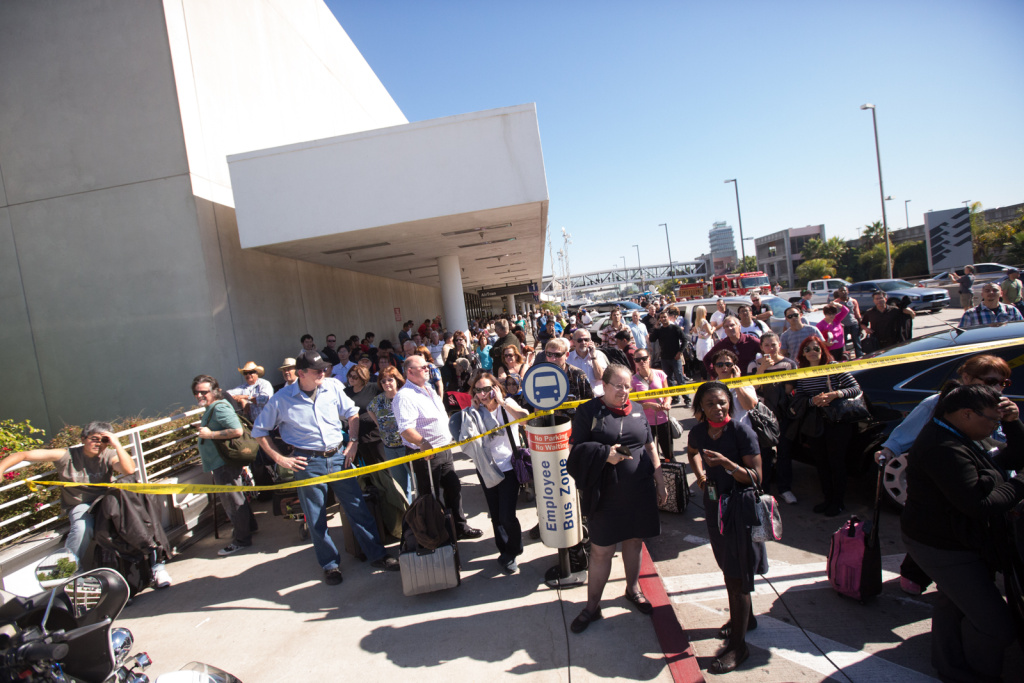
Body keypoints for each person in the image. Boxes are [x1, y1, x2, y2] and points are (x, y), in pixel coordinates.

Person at [901, 383, 1024, 682]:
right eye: (992, 421)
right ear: (967, 414)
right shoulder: (942, 447)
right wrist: (1021, 483)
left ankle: (950, 667)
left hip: (955, 540)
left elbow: (1003, 464)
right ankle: (976, 674)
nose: (994, 426)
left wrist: (1013, 425)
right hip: (944, 547)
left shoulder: (958, 434)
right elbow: (979, 504)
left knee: (953, 603)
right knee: (996, 625)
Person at [252, 350, 400, 584]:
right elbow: (259, 431)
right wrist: (281, 459)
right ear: (301, 373)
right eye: (317, 370)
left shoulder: (332, 387)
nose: (323, 372)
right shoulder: (282, 398)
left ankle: (377, 554)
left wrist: (352, 442)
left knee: (357, 507)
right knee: (315, 516)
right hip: (308, 462)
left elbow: (352, 414)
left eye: (324, 368)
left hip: (339, 457)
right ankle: (330, 565)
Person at [874, 355, 1014, 595]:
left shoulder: (998, 406)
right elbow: (908, 430)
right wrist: (889, 450)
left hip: (985, 476)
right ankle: (915, 574)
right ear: (966, 377)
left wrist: (1013, 422)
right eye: (990, 381)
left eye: (1003, 383)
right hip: (952, 483)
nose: (997, 387)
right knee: (937, 529)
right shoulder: (939, 405)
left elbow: (1002, 442)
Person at [0, 422, 172, 589]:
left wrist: (117, 444)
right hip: (81, 505)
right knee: (82, 527)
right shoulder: (66, 455)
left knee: (140, 519)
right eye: (94, 439)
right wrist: (1, 469)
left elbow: (129, 470)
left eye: (103, 440)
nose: (98, 444)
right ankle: (71, 572)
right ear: (83, 438)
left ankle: (157, 566)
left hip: (106, 502)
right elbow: (23, 455)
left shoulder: (108, 454)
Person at [566, 365, 667, 634]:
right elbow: (575, 452)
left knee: (634, 543)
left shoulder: (636, 410)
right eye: (618, 386)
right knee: (602, 551)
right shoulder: (589, 411)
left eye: (627, 386)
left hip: (639, 491)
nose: (624, 391)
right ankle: (591, 606)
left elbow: (649, 444)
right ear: (604, 385)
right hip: (605, 494)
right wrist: (604, 454)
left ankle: (632, 590)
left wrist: (659, 480)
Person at [686, 381, 765, 674]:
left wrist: (727, 464)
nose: (718, 407)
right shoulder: (698, 431)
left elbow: (756, 477)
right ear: (701, 409)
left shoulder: (741, 431)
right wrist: (701, 476)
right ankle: (747, 619)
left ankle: (738, 646)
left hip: (739, 509)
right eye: (711, 404)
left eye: (722, 402)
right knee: (727, 566)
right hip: (714, 506)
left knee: (736, 572)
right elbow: (692, 450)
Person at [392, 355, 482, 540]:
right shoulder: (404, 396)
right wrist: (423, 444)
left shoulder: (429, 388)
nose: (428, 369)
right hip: (426, 453)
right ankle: (435, 533)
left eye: (428, 366)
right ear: (410, 371)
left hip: (444, 449)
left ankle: (459, 527)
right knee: (430, 496)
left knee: (453, 488)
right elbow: (405, 429)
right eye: (423, 366)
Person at [458, 370, 531, 574]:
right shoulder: (474, 411)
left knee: (507, 515)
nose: (482, 394)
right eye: (478, 390)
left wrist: (503, 401)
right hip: (486, 469)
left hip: (508, 467)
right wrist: (472, 413)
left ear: (495, 388)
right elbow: (465, 440)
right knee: (496, 515)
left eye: (487, 389)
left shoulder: (506, 406)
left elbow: (525, 419)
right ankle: (505, 553)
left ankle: (514, 549)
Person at [793, 338, 862, 516]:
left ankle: (838, 502)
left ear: (822, 350)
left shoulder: (833, 366)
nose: (812, 352)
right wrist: (812, 401)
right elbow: (799, 397)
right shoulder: (802, 372)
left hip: (836, 422)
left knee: (836, 462)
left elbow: (855, 388)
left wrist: (835, 394)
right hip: (815, 423)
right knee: (821, 463)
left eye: (816, 348)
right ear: (803, 354)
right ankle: (827, 498)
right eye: (807, 349)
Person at [191, 375, 257, 557]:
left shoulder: (219, 408)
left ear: (215, 391)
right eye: (196, 392)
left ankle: (242, 540)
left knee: (233, 501)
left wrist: (210, 434)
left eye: (203, 392)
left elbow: (236, 430)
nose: (199, 395)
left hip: (224, 463)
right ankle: (249, 528)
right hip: (222, 463)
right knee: (237, 497)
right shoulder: (213, 408)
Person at [748, 331, 799, 504]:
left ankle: (785, 488)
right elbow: (753, 389)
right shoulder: (753, 365)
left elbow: (790, 389)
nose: (770, 348)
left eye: (773, 344)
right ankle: (764, 490)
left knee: (784, 451)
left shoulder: (789, 364)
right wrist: (762, 369)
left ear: (779, 345)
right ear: (761, 347)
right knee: (764, 454)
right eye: (766, 345)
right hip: (762, 417)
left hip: (782, 414)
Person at [368, 366, 415, 504]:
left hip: (407, 447)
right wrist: (379, 425)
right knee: (400, 486)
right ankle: (409, 513)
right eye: (383, 381)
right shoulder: (378, 400)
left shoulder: (405, 396)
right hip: (389, 448)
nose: (387, 383)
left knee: (417, 482)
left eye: (390, 380)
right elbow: (370, 409)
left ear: (397, 380)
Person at [631, 349, 673, 462]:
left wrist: (667, 403)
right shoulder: (633, 380)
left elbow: (668, 394)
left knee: (668, 453)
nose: (641, 362)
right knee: (649, 454)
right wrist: (649, 405)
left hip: (662, 419)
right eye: (638, 359)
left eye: (644, 358)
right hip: (645, 422)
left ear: (649, 358)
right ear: (634, 361)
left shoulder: (660, 374)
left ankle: (671, 474)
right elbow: (632, 403)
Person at [344, 364, 385, 466]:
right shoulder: (346, 392)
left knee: (383, 465)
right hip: (359, 435)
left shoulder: (374, 387)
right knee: (369, 466)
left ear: (363, 378)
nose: (351, 379)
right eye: (349, 375)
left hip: (375, 435)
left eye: (355, 377)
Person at [960, 281, 1024, 327]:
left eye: (995, 290)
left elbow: (1020, 329)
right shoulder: (970, 314)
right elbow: (963, 336)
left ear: (1001, 294)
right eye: (987, 291)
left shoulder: (1012, 310)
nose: (991, 292)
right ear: (982, 294)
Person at [568, 329, 609, 397]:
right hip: (578, 399)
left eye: (586, 340)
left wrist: (593, 357)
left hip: (598, 397)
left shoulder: (598, 355)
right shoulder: (568, 358)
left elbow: (600, 377)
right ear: (574, 342)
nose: (583, 342)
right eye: (580, 340)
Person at [832, 286, 863, 358]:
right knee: (843, 343)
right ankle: (844, 357)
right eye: (841, 291)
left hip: (853, 324)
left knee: (857, 342)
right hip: (842, 325)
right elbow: (833, 315)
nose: (843, 292)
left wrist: (860, 325)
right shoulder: (836, 302)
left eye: (844, 290)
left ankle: (859, 356)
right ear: (838, 292)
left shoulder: (853, 301)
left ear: (847, 291)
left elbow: (857, 314)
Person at [693, 305, 715, 370]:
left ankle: (703, 376)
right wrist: (714, 328)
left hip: (700, 341)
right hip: (705, 342)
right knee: (706, 359)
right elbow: (710, 332)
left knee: (701, 360)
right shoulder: (704, 321)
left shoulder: (697, 321)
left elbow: (697, 331)